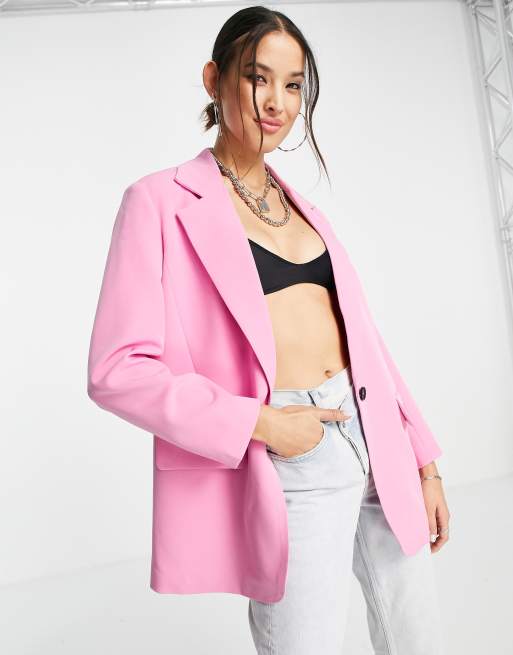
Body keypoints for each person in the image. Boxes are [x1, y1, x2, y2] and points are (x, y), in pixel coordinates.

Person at [87, 6, 450, 654]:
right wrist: (261, 423)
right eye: (258, 78)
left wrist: (424, 460)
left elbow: (367, 342)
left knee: (419, 639)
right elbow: (117, 370)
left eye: (292, 84)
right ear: (213, 79)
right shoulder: (158, 201)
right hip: (291, 452)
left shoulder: (301, 206)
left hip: (378, 439)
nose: (277, 102)